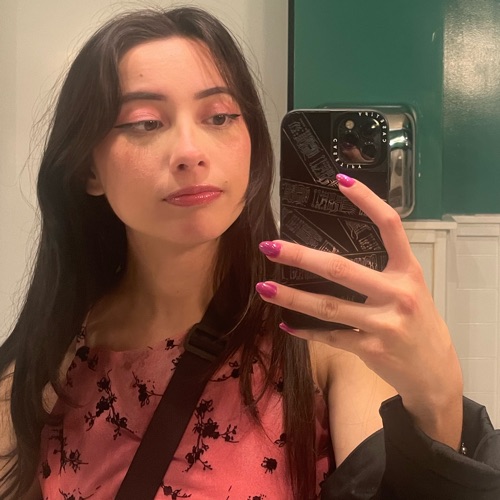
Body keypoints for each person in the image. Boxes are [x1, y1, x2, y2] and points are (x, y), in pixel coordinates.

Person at [0, 6, 499, 500]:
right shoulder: (51, 360)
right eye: (146, 122)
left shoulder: (320, 340)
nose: (190, 151)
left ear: (253, 145)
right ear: (88, 169)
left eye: (219, 116)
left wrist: (436, 398)